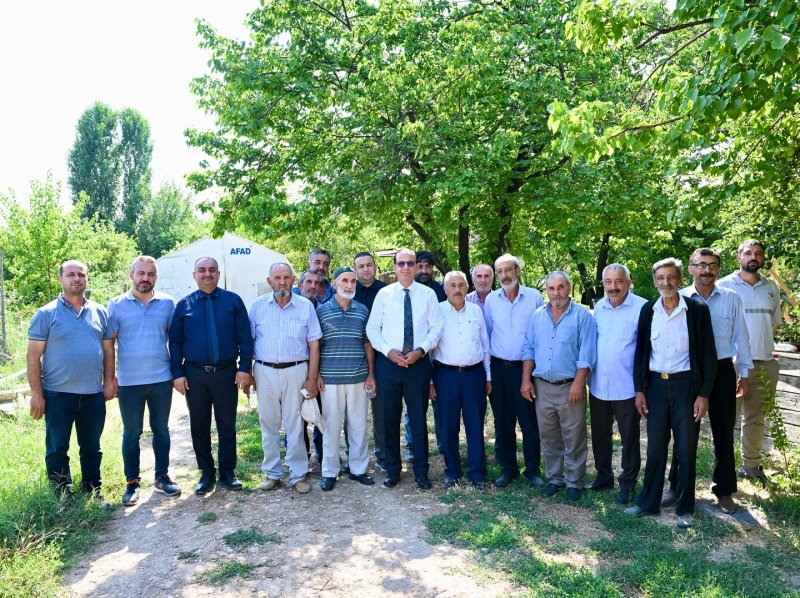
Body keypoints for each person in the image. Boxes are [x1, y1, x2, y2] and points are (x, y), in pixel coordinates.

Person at [625, 258, 716, 528]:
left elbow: (708, 356)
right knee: (655, 447)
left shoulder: (696, 310)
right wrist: (639, 390)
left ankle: (685, 509)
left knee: (686, 449)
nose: (666, 282)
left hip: (686, 387)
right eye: (661, 278)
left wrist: (703, 395)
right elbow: (640, 353)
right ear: (655, 281)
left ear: (679, 279)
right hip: (655, 387)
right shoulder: (648, 310)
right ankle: (647, 503)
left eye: (671, 277)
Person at [661, 248, 753, 514]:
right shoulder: (680, 298)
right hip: (688, 372)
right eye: (701, 265)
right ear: (690, 269)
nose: (707, 270)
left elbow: (741, 336)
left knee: (723, 431)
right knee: (684, 432)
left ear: (719, 269)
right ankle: (676, 487)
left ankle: (724, 491)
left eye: (712, 265)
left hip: (722, 370)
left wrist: (744, 373)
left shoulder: (731, 298)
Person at [27, 260, 115, 507]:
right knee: (57, 448)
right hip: (57, 395)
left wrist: (109, 381)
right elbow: (32, 357)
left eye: (81, 275)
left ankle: (92, 491)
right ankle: (62, 496)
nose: (77, 279)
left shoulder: (100, 312)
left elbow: (108, 351)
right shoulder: (46, 314)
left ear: (87, 278)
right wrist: (37, 394)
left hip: (92, 394)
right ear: (61, 279)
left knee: (92, 447)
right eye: (71, 275)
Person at [169, 257, 254, 495]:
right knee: (199, 425)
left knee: (227, 424)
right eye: (202, 270)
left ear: (218, 274)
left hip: (226, 373)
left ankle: (228, 472)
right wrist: (177, 373)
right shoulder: (184, 305)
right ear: (194, 275)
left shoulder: (233, 301)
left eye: (212, 270)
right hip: (194, 375)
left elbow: (245, 337)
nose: (207, 274)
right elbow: (175, 341)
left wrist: (244, 368)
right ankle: (206, 472)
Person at [367, 248, 443, 489]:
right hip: (389, 365)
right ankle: (393, 470)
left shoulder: (428, 295)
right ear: (395, 267)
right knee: (389, 419)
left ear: (416, 266)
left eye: (411, 263)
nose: (406, 267)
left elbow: (436, 328)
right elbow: (372, 329)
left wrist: (420, 350)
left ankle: (421, 471)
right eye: (401, 263)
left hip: (418, 365)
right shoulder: (384, 294)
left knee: (418, 419)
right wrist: (387, 351)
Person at [108, 256, 181, 506]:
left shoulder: (167, 304)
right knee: (132, 432)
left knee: (161, 429)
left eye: (150, 274)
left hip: (161, 379)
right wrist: (110, 377)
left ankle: (162, 477)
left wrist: (177, 372)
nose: (145, 278)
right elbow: (108, 344)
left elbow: (175, 340)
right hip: (129, 382)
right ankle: (132, 483)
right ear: (132, 276)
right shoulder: (116, 305)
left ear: (156, 277)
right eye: (141, 273)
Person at [521, 271, 597, 502]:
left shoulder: (582, 316)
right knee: (549, 436)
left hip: (569, 386)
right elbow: (529, 348)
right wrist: (526, 380)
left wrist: (578, 383)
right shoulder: (538, 316)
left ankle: (574, 481)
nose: (556, 293)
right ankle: (555, 478)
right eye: (552, 288)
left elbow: (587, 353)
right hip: (542, 386)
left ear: (569, 288)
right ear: (547, 291)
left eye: (560, 287)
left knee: (574, 436)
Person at [250, 262, 322, 494]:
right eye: (277, 278)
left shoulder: (305, 306)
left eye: (286, 277)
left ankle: (298, 474)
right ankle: (272, 473)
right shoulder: (257, 306)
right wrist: (248, 374)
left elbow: (314, 344)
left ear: (293, 280)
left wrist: (312, 378)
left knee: (295, 424)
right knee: (268, 423)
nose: (282, 282)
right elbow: (249, 341)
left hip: (296, 370)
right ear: (269, 281)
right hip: (265, 371)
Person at [718, 239, 782, 485]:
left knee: (756, 418)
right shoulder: (723, 286)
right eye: (748, 253)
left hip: (765, 363)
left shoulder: (771, 287)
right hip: (733, 364)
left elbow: (774, 324)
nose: (753, 257)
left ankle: (751, 466)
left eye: (758, 253)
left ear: (763, 258)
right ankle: (722, 470)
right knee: (726, 420)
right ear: (739, 257)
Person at [587, 264, 647, 504]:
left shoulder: (642, 308)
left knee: (629, 438)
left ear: (629, 283)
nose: (613, 287)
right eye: (608, 282)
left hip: (627, 387)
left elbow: (645, 350)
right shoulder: (598, 308)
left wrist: (641, 388)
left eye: (619, 281)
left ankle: (628, 482)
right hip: (599, 385)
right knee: (600, 435)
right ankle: (603, 476)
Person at [484, 253, 544, 488]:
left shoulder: (534, 297)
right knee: (503, 422)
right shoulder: (491, 300)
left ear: (517, 271)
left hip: (526, 369)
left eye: (508, 270)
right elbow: (489, 334)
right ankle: (508, 469)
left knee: (529, 423)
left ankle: (533, 470)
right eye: (499, 271)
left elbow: (539, 334)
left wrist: (529, 375)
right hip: (500, 369)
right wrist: (489, 375)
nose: (504, 275)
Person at [430, 271, 491, 489]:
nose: (457, 289)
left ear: (467, 288)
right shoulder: (436, 311)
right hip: (445, 375)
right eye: (453, 285)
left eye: (461, 285)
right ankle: (452, 471)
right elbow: (429, 348)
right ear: (445, 289)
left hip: (474, 375)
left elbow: (485, 345)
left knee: (475, 425)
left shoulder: (476, 311)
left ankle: (477, 473)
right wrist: (430, 382)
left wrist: (488, 376)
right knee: (448, 426)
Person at [317, 267, 376, 491]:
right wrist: (316, 375)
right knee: (331, 428)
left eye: (353, 281)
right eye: (345, 280)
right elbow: (315, 346)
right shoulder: (322, 311)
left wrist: (371, 373)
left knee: (359, 425)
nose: (350, 285)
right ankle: (330, 472)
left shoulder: (362, 310)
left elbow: (367, 343)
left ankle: (358, 469)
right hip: (330, 380)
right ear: (334, 283)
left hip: (358, 377)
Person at [353, 251, 388, 469]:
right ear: (355, 269)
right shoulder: (349, 290)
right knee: (353, 413)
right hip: (354, 359)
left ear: (375, 266)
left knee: (381, 411)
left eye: (369, 265)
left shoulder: (386, 291)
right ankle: (354, 456)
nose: (366, 269)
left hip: (381, 359)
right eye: (361, 266)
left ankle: (383, 455)